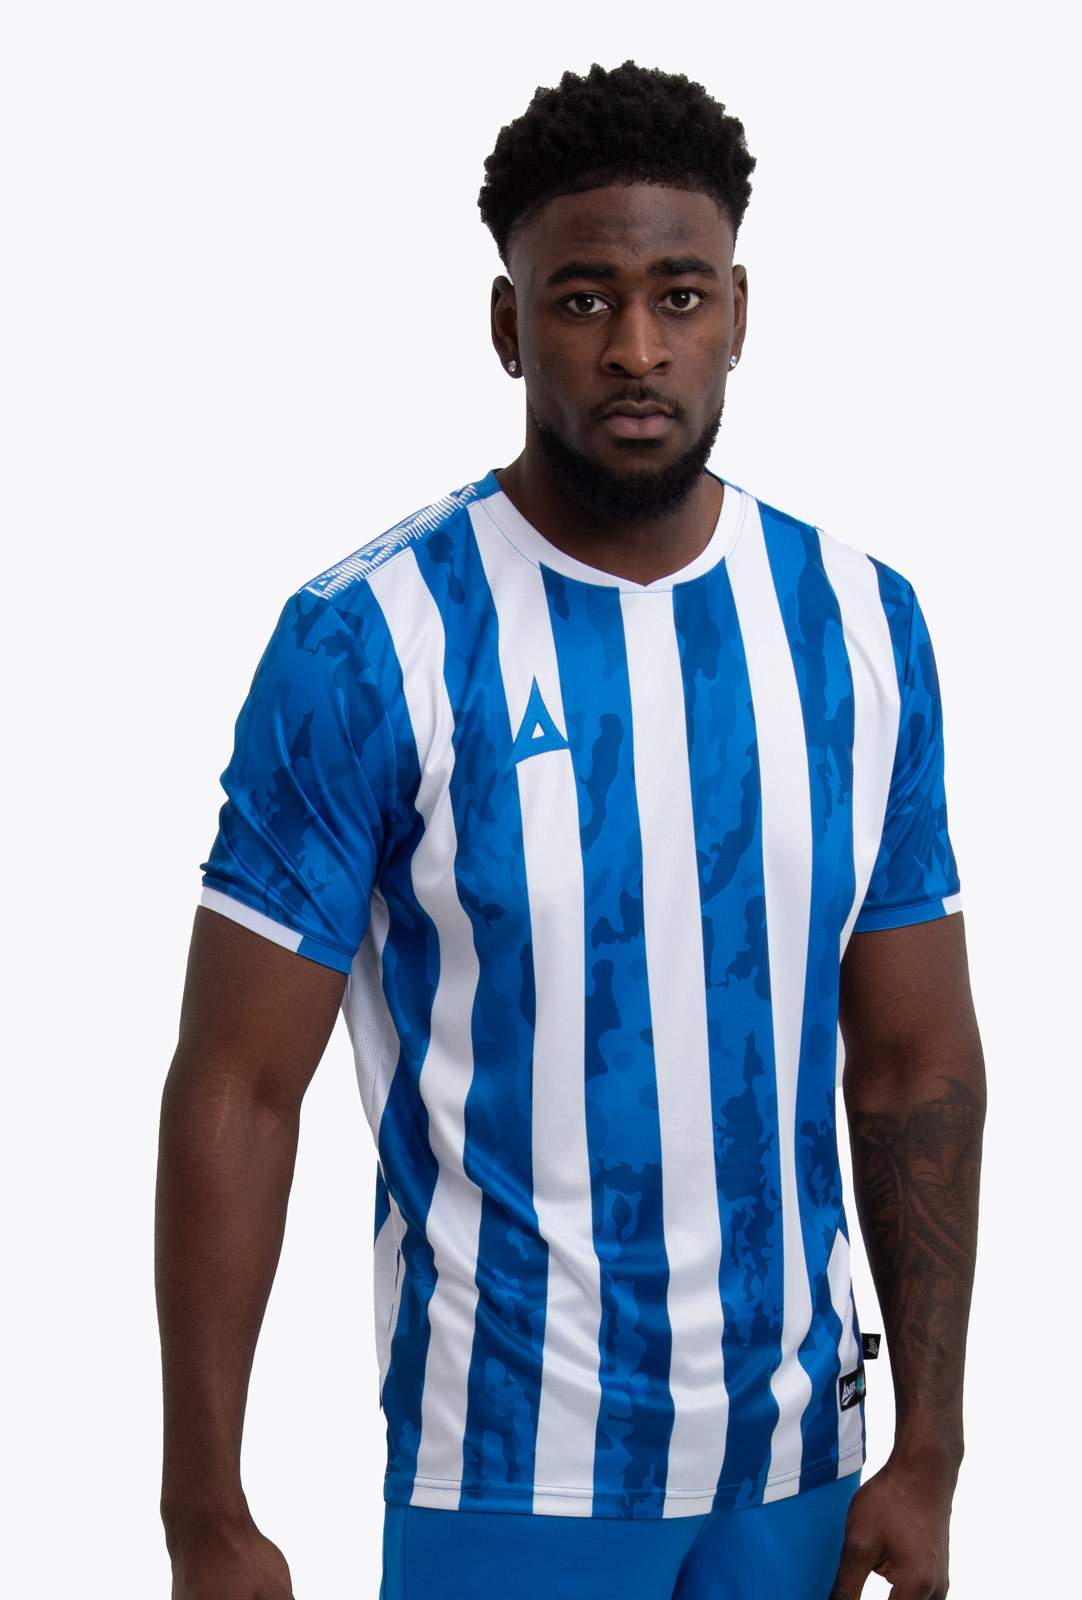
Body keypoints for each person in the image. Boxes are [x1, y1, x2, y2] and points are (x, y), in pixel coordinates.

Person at [156, 61, 985, 1600]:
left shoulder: (860, 627)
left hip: (796, 1467)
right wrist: (204, 1506)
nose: (636, 349)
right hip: (507, 1467)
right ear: (508, 323)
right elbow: (240, 1084)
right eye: (584, 300)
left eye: (680, 297)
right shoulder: (371, 642)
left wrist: (927, 1445)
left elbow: (913, 1060)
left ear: (739, 309)